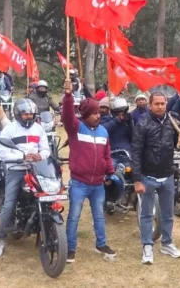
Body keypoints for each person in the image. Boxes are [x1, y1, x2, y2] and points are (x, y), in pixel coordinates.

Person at [60, 81, 116, 263]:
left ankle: (101, 243)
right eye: (94, 113)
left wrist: (110, 173)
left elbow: (106, 155)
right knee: (74, 216)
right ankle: (70, 248)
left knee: (99, 215)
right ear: (85, 115)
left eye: (99, 112)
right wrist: (68, 96)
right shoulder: (75, 128)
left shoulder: (103, 132)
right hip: (79, 183)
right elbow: (67, 116)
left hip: (98, 183)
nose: (98, 116)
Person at [0, 99, 50, 258]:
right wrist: (23, 156)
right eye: (25, 113)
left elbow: (46, 149)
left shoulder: (39, 129)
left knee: (48, 196)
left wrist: (39, 155)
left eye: (31, 113)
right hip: (16, 169)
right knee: (9, 204)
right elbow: (3, 153)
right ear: (18, 114)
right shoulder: (9, 130)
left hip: (36, 169)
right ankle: (1, 239)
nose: (29, 116)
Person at [132, 92, 180, 264]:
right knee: (147, 214)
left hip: (167, 175)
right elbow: (136, 152)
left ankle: (167, 243)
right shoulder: (143, 124)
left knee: (168, 214)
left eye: (163, 103)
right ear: (150, 105)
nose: (160, 107)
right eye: (157, 104)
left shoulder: (171, 122)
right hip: (148, 177)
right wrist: (137, 179)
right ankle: (147, 245)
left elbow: (179, 142)